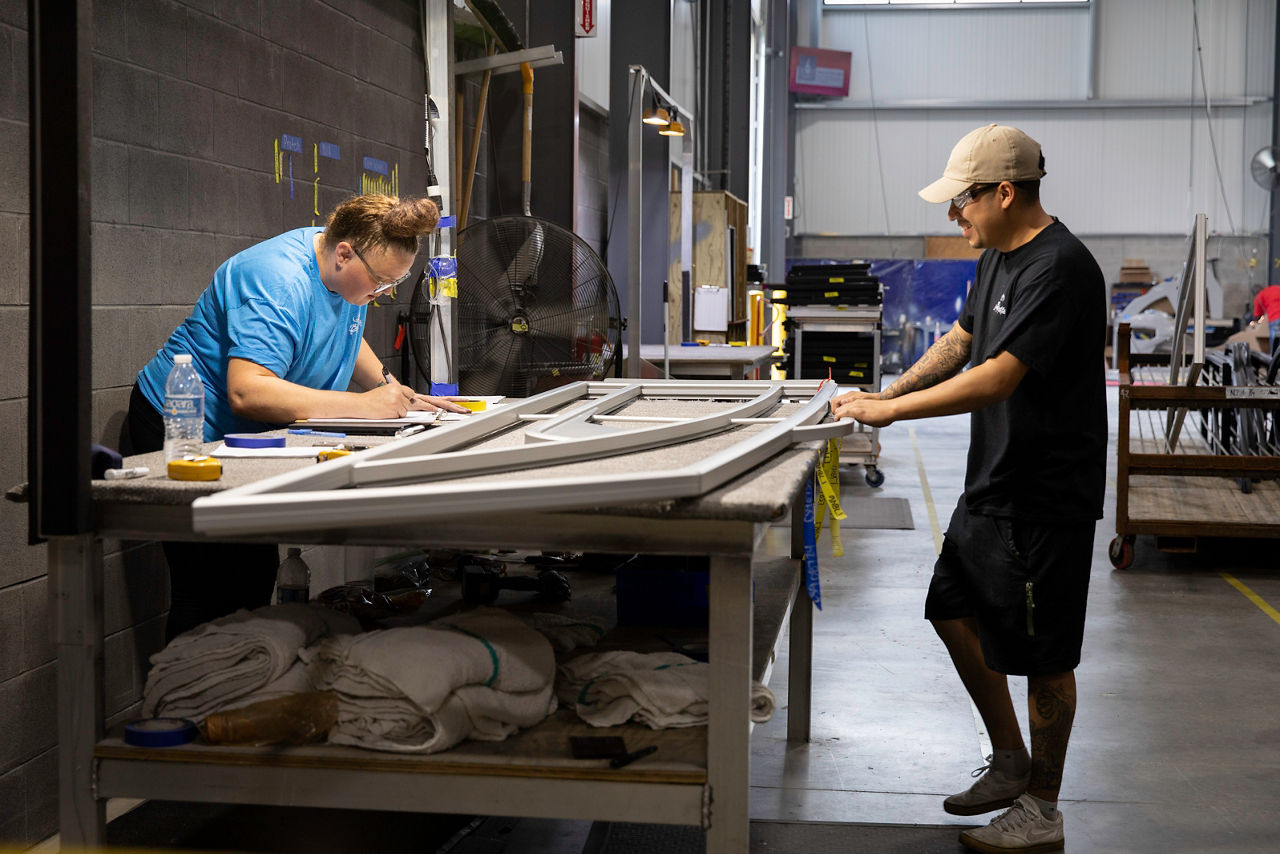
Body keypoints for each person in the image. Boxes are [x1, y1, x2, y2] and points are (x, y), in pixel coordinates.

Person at [832, 125, 1106, 853]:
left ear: (1005, 192)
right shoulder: (997, 258)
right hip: (992, 481)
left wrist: (892, 412)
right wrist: (884, 391)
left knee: (1046, 655)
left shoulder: (1062, 267)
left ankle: (1042, 809)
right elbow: (961, 342)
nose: (955, 215)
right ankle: (1011, 759)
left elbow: (997, 375)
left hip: (1045, 493)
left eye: (963, 201)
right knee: (951, 610)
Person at [121, 193, 467, 641]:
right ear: (344, 253)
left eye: (391, 286)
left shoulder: (339, 266)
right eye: (381, 282)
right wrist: (364, 407)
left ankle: (241, 686)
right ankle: (188, 698)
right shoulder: (278, 280)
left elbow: (347, 325)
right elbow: (248, 390)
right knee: (207, 589)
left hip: (240, 436)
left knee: (248, 578)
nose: (381, 295)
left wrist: (389, 388)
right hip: (184, 424)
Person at [1249, 283, 1280, 354]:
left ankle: (1276, 362)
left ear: (1255, 293)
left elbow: (1257, 315)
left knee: (1275, 342)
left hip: (1275, 319)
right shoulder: (1276, 288)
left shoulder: (1259, 297)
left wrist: (1255, 321)